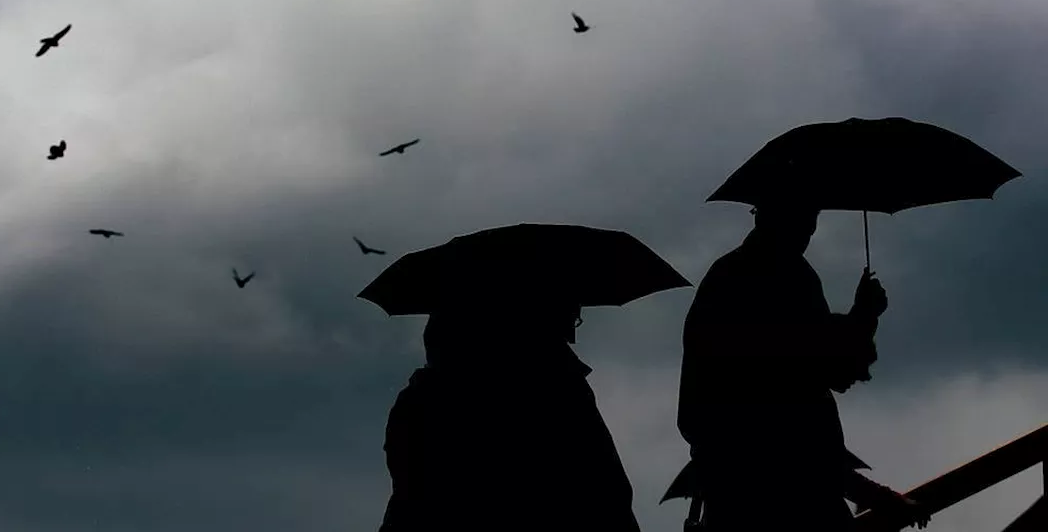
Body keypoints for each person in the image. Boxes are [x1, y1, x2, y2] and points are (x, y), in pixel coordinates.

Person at [675, 199, 930, 531]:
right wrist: (863, 317)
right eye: (807, 221)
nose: (810, 232)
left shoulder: (726, 277)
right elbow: (800, 413)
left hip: (732, 497)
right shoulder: (789, 279)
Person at [379, 297, 643, 531]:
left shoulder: (420, 398)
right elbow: (607, 495)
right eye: (572, 311)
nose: (575, 319)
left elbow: (410, 497)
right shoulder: (555, 391)